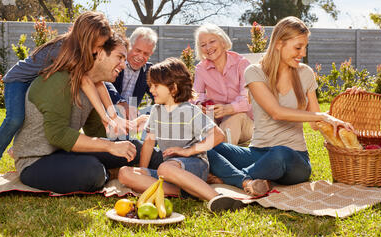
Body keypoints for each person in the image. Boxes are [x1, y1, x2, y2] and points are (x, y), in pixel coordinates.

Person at [0, 11, 128, 181]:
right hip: (18, 80)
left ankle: (20, 149)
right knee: (15, 118)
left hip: (38, 81)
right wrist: (105, 116)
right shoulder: (66, 50)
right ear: (87, 37)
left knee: (31, 117)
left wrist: (111, 116)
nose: (98, 50)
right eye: (98, 45)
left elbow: (97, 83)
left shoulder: (81, 51)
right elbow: (87, 83)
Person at [207, 16, 355, 197]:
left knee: (279, 153)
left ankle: (229, 178)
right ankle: (253, 179)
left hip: (293, 159)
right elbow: (276, 112)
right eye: (298, 47)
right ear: (279, 44)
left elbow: (316, 123)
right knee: (208, 146)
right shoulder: (254, 72)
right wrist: (322, 116)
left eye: (305, 47)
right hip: (258, 153)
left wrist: (347, 101)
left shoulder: (305, 74)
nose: (303, 53)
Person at [12, 32, 163, 194]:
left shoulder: (93, 88)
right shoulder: (59, 81)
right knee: (92, 172)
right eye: (119, 57)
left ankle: (177, 165)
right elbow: (57, 135)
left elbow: (96, 132)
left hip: (65, 151)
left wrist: (129, 127)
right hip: (35, 161)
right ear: (99, 53)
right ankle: (111, 172)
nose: (123, 64)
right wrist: (110, 146)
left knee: (134, 148)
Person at [118, 58, 246, 212]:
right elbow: (149, 143)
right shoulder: (156, 111)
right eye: (150, 85)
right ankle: (187, 191)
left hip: (194, 165)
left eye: (156, 86)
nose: (151, 90)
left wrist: (188, 151)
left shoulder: (189, 111)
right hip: (168, 171)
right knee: (124, 173)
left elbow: (218, 135)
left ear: (173, 88)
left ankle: (216, 197)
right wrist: (143, 173)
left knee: (164, 168)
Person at [83, 27, 158, 138]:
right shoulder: (113, 62)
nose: (140, 56)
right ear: (129, 46)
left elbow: (159, 93)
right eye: (137, 50)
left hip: (129, 125)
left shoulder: (148, 71)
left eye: (146, 54)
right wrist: (121, 102)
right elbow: (100, 80)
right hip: (104, 121)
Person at [193, 23, 254, 145]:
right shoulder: (201, 68)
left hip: (247, 124)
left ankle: (223, 158)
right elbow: (196, 94)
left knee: (234, 118)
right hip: (216, 121)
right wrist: (200, 104)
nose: (208, 47)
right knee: (201, 120)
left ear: (222, 41)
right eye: (203, 45)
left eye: (212, 41)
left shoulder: (242, 64)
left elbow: (248, 99)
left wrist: (229, 109)